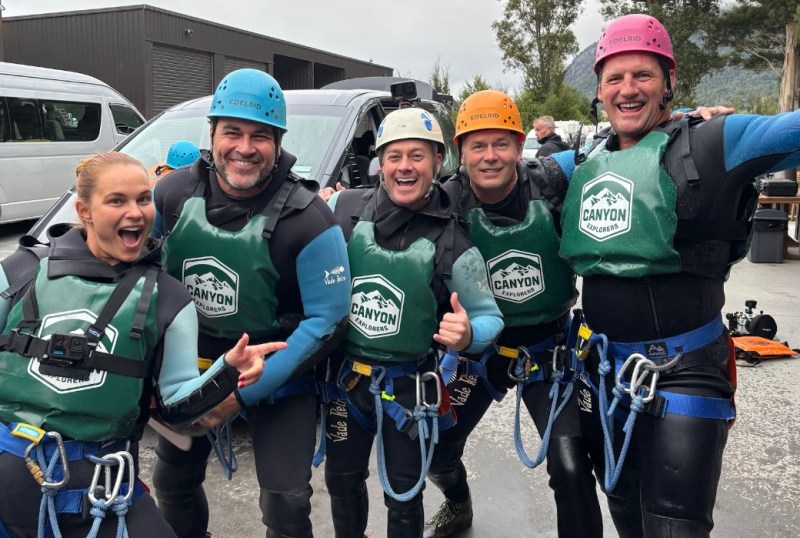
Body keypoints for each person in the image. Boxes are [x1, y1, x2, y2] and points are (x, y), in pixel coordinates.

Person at [545, 13, 800, 538]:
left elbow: (791, 131)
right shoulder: (584, 160)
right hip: (604, 370)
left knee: (673, 526)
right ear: (600, 90)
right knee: (624, 506)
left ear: (669, 81)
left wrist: (698, 122)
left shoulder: (715, 140)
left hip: (687, 369)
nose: (628, 89)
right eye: (615, 78)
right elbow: (500, 180)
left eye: (643, 75)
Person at [0, 152, 285, 537]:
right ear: (84, 211)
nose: (135, 212)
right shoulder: (21, 271)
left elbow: (177, 405)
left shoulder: (169, 298)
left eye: (143, 199)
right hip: (12, 476)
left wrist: (227, 369)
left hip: (103, 489)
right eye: (117, 201)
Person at [151, 68, 351, 538]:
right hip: (192, 370)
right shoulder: (171, 195)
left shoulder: (309, 219)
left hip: (277, 372)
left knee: (287, 502)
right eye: (232, 132)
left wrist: (237, 395)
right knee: (172, 484)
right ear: (212, 135)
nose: (244, 147)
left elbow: (328, 320)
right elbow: (141, 277)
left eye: (260, 135)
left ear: (278, 142)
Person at [423, 90, 602, 538]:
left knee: (570, 467)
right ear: (461, 152)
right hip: (477, 354)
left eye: (501, 144)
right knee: (435, 451)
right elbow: (387, 201)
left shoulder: (553, 178)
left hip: (548, 350)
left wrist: (685, 124)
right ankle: (458, 503)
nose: (490, 156)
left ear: (520, 146)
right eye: (478, 145)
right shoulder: (442, 200)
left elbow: (619, 146)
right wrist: (337, 202)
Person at [323, 107, 503, 538]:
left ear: (437, 162)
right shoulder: (342, 209)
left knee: (404, 494)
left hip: (409, 389)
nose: (405, 166)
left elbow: (489, 316)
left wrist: (469, 334)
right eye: (394, 156)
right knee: (342, 482)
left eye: (417, 156)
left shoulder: (454, 240)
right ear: (380, 163)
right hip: (347, 383)